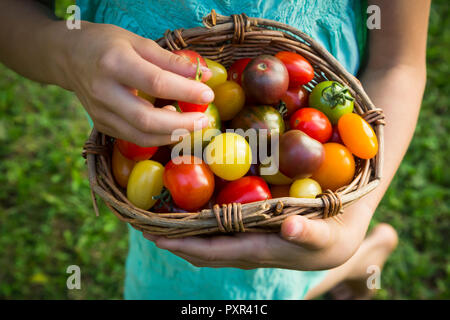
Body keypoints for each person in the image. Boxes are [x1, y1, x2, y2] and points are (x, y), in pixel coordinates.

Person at [0, 0, 430, 299]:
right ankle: (360, 264)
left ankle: (358, 257)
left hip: (294, 200)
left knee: (276, 284)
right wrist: (64, 50)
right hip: (162, 186)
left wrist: (353, 223)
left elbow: (400, 63)